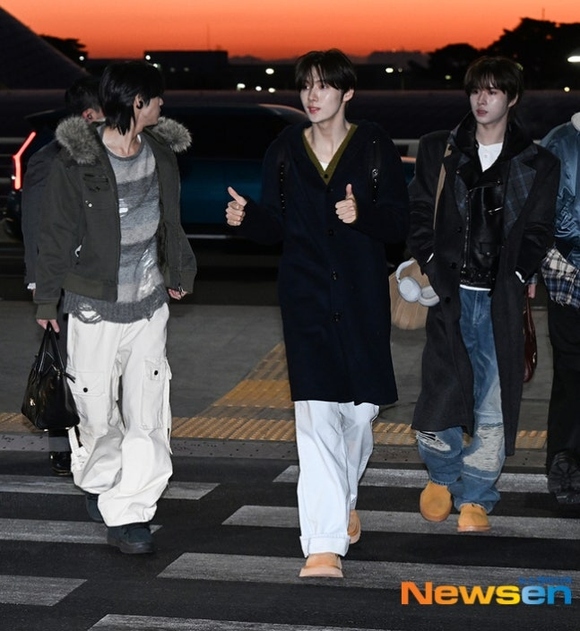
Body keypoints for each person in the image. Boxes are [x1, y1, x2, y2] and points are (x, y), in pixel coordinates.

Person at [225, 49, 409, 577]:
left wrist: (362, 213)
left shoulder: (373, 145)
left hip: (361, 299)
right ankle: (323, 544)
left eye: (324, 85)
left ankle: (342, 500)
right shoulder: (285, 149)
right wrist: (249, 218)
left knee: (359, 415)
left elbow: (398, 222)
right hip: (304, 298)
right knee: (316, 417)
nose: (312, 95)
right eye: (306, 85)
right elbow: (277, 226)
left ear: (347, 92)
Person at [34, 61, 197, 554]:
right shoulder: (76, 161)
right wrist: (46, 298)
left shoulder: (161, 153)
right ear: (137, 103)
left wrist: (178, 272)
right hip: (93, 306)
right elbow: (55, 233)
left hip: (148, 305)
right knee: (95, 411)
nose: (162, 105)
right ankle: (102, 479)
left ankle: (130, 514)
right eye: (156, 98)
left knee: (148, 411)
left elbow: (171, 220)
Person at [407, 56, 559, 532]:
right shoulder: (440, 148)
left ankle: (476, 495)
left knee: (492, 403)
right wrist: (433, 263)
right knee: (440, 394)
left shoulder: (538, 163)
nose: (481, 99)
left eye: (493, 91)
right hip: (451, 295)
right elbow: (418, 212)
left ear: (512, 98)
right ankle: (441, 476)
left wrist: (517, 275)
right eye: (476, 90)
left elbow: (539, 229)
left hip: (499, 301)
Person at [21, 76, 104, 477]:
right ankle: (63, 446)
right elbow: (36, 226)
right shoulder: (50, 159)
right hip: (66, 283)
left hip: (100, 281)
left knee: (91, 366)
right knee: (66, 366)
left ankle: (93, 440)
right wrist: (43, 290)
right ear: (88, 116)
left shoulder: (108, 154)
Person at [540, 112, 580, 504]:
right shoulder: (559, 141)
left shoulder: (557, 139)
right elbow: (542, 212)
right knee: (570, 372)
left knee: (570, 373)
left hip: (564, 270)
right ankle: (565, 461)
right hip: (568, 274)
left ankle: (565, 460)